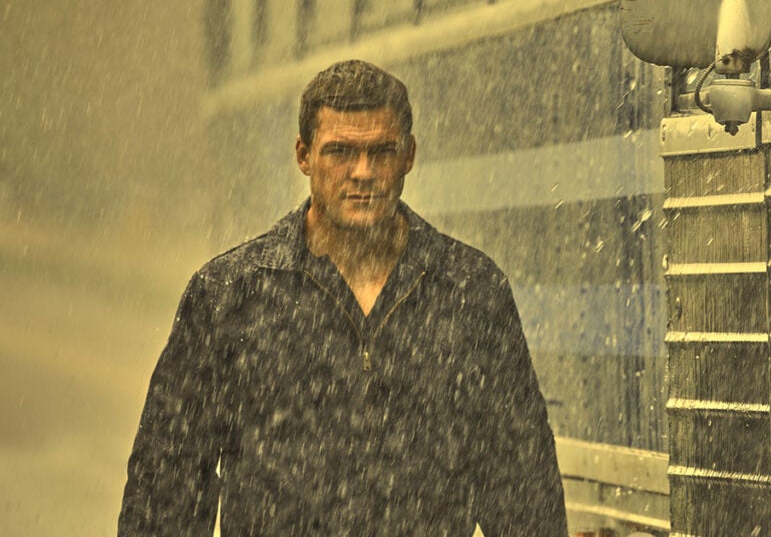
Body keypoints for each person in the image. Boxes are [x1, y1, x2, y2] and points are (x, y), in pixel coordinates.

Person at [118, 60, 567, 536]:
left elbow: (525, 496)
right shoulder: (231, 297)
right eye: (340, 152)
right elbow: (164, 493)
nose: (363, 172)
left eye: (382, 151)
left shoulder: (470, 293)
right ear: (303, 155)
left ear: (409, 155)